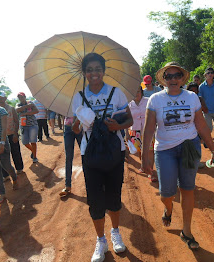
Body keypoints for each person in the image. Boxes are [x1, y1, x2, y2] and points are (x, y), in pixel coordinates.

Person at [142, 62, 214, 250]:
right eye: (169, 76)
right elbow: (149, 129)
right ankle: (168, 209)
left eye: (177, 75)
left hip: (189, 147)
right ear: (164, 80)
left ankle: (187, 231)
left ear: (182, 78)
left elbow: (201, 125)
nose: (173, 79)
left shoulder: (192, 97)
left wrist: (213, 149)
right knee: (166, 193)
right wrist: (145, 156)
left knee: (187, 188)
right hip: (165, 150)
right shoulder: (155, 100)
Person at [71, 53, 133, 262]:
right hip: (90, 152)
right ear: (85, 73)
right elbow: (75, 128)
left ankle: (115, 232)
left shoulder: (116, 94)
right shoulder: (78, 97)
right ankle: (101, 240)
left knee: (114, 195)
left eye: (98, 69)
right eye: (90, 69)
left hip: (115, 151)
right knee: (95, 200)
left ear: (104, 71)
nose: (94, 73)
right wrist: (79, 123)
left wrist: (117, 126)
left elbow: (129, 119)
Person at [126, 86, 157, 181]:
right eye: (134, 92)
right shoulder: (129, 105)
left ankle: (150, 172)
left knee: (150, 151)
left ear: (141, 92)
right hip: (135, 131)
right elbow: (126, 120)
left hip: (148, 130)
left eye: (138, 91)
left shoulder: (148, 101)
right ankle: (144, 166)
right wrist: (127, 134)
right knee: (140, 151)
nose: (136, 93)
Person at [0, 92, 24, 177]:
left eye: (1, 97)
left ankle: (19, 169)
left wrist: (15, 134)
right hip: (1, 137)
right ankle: (5, 175)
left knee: (15, 152)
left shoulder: (11, 108)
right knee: (2, 156)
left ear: (5, 98)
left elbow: (16, 121)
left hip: (11, 134)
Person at [198, 67, 214, 153]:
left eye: (212, 73)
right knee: (208, 129)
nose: (210, 74)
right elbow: (199, 98)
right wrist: (202, 108)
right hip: (206, 111)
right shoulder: (201, 87)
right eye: (208, 73)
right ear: (205, 75)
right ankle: (206, 141)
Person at [59, 116, 82, 197]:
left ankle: (91, 184)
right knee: (68, 157)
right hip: (68, 127)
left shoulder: (80, 102)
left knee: (85, 155)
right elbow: (62, 114)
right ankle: (67, 185)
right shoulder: (65, 103)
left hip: (80, 127)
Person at [16, 92, 39, 163]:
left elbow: (36, 111)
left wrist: (25, 113)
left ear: (25, 97)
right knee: (25, 142)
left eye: (22, 97)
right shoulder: (18, 104)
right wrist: (27, 106)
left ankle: (34, 157)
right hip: (23, 126)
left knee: (33, 141)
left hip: (32, 125)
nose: (21, 98)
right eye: (19, 97)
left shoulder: (30, 102)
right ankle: (33, 151)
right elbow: (17, 110)